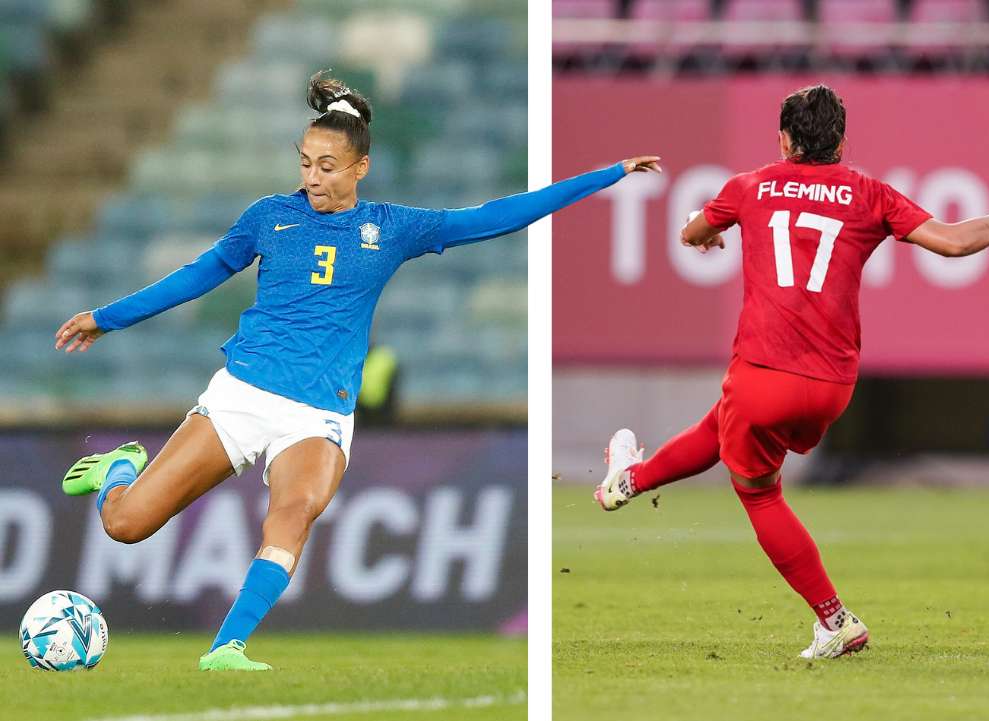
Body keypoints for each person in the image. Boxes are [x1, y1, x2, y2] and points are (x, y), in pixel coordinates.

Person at [55, 71, 661, 671]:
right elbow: (199, 275)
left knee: (293, 513)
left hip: (320, 412)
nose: (312, 177)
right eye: (305, 163)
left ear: (358, 168)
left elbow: (498, 215)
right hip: (241, 395)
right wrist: (107, 318)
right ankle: (120, 468)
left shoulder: (392, 228)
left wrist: (607, 175)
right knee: (125, 524)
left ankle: (226, 648)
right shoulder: (269, 217)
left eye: (326, 166)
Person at [594, 84, 989, 659]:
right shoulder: (869, 194)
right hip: (833, 385)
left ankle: (836, 620)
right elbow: (955, 243)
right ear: (839, 139)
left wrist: (708, 232)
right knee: (724, 428)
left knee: (758, 492)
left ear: (784, 138)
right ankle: (628, 482)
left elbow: (691, 233)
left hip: (764, 370)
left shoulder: (751, 187)